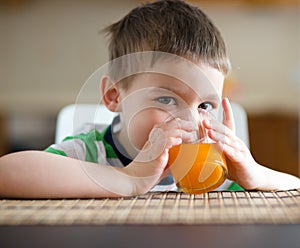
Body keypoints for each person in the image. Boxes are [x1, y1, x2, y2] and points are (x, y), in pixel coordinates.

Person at [0, 0, 299, 199]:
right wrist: (130, 178)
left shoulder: (210, 169)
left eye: (205, 105)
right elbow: (7, 174)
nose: (190, 121)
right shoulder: (89, 154)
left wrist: (256, 175)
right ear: (114, 95)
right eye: (167, 99)